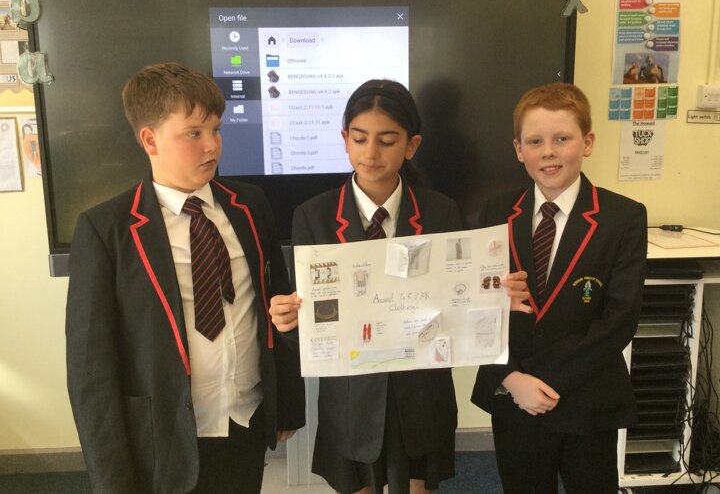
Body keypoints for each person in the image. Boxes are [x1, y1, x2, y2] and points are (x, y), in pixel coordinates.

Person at [271, 79, 530, 494]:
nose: (371, 153)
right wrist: (288, 320)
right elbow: (315, 318)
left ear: (411, 146)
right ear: (345, 139)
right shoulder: (313, 215)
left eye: (387, 141)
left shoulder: (440, 210)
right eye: (360, 139)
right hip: (352, 401)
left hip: (422, 396)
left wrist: (494, 296)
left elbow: (456, 298)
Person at [65, 62, 305, 494]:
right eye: (193, 133)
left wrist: (287, 404)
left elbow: (277, 304)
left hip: (244, 421)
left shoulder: (250, 205)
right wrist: (111, 480)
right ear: (150, 139)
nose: (212, 146)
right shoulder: (106, 230)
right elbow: (90, 372)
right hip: (162, 440)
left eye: (216, 130)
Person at [472, 83, 647, 493]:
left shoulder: (623, 217)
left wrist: (539, 380)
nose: (548, 152)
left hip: (587, 397)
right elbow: (476, 309)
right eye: (535, 141)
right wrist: (511, 379)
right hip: (514, 396)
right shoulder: (496, 212)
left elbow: (619, 320)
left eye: (562, 139)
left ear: (587, 142)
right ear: (519, 149)